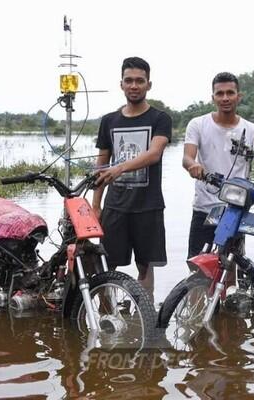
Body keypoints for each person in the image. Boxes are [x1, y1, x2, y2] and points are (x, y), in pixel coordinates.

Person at [182, 71, 254, 260]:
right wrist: (193, 165)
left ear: (238, 96)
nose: (225, 98)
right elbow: (187, 157)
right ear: (213, 98)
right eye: (220, 94)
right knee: (197, 268)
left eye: (230, 93)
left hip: (235, 212)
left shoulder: (251, 130)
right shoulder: (198, 124)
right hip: (204, 210)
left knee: (232, 269)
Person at [92, 56, 172, 295]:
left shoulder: (160, 119)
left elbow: (154, 153)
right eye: (129, 80)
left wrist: (120, 168)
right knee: (106, 264)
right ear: (121, 85)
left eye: (140, 80)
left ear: (149, 84)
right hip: (115, 206)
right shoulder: (109, 121)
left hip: (148, 206)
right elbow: (101, 165)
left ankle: (145, 316)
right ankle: (107, 319)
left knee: (145, 266)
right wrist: (96, 205)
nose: (134, 85)